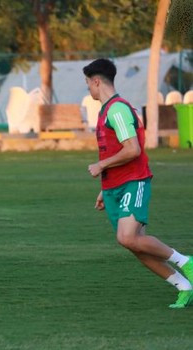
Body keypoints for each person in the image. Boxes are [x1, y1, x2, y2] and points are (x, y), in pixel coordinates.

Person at [83, 58, 193, 308]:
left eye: (88, 83)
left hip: (133, 182)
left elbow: (132, 149)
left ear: (97, 81)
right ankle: (184, 286)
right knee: (135, 245)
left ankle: (186, 262)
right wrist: (105, 186)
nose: (88, 88)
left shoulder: (117, 109)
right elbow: (113, 149)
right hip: (115, 186)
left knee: (127, 237)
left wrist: (101, 166)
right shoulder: (107, 110)